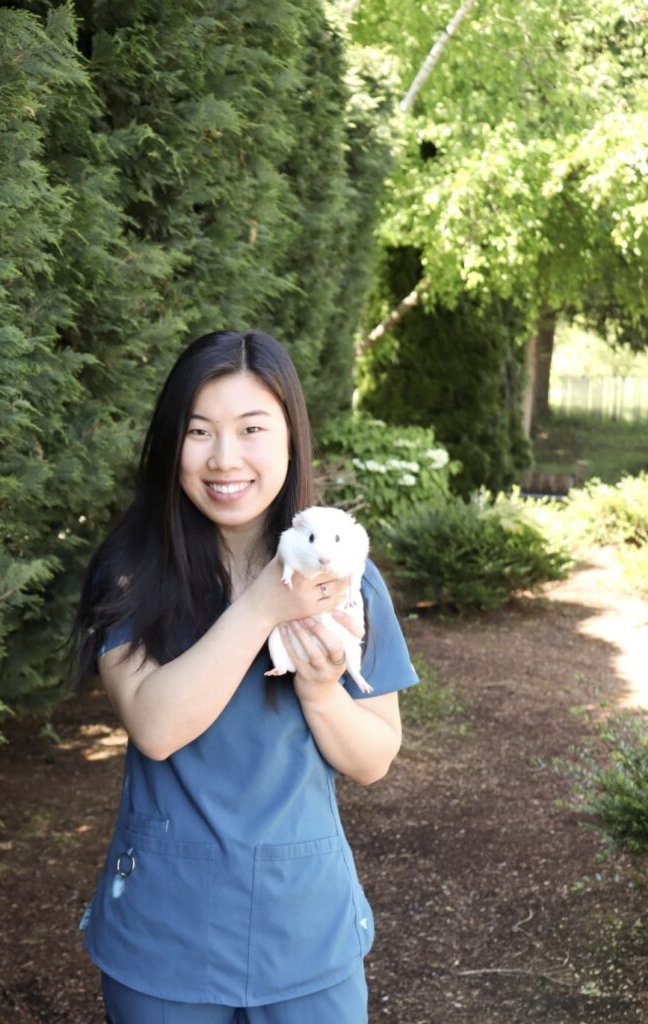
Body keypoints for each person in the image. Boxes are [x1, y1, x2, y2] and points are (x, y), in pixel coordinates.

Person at [70, 329, 418, 1023]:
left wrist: (319, 691)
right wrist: (263, 604)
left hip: (306, 931)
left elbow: (375, 758)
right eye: (198, 432)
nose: (223, 458)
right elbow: (156, 727)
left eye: (251, 429)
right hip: (164, 935)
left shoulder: (345, 578)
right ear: (171, 446)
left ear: (291, 440)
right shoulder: (132, 571)